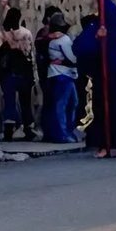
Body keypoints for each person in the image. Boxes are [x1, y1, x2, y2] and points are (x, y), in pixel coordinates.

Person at [75, 0, 116, 159]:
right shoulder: (96, 28)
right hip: (102, 78)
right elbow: (79, 48)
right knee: (102, 112)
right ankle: (105, 145)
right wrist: (96, 37)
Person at [0, 7, 37, 141]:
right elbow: (30, 54)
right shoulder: (26, 33)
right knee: (25, 101)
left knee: (9, 101)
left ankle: (9, 128)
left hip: (9, 71)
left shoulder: (2, 34)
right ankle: (28, 128)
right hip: (24, 70)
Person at [41, 10, 79, 143]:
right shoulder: (63, 40)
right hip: (63, 74)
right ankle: (63, 133)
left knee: (68, 104)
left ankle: (65, 131)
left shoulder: (51, 40)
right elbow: (73, 59)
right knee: (64, 105)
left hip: (57, 74)